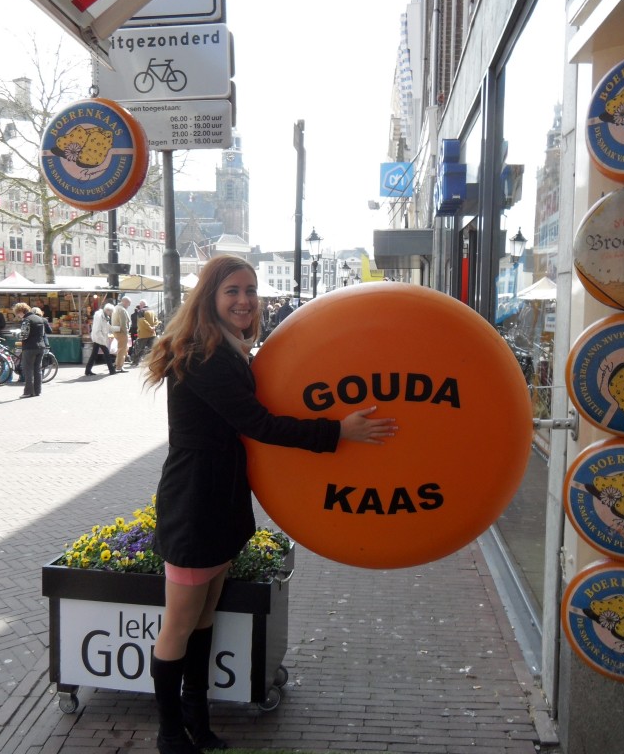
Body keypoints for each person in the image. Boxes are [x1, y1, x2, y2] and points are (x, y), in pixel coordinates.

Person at [143, 255, 396, 754]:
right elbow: (257, 424)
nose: (244, 300)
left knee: (204, 617)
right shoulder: (203, 355)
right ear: (210, 298)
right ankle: (170, 734)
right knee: (179, 623)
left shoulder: (228, 349)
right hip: (196, 501)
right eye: (232, 291)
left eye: (250, 290)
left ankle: (196, 718)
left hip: (220, 497)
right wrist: (336, 431)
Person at [13, 302, 48, 398]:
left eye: (18, 313)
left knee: (28, 370)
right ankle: (37, 391)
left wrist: (16, 334)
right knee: (37, 370)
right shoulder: (40, 319)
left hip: (29, 348)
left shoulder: (26, 320)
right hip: (40, 346)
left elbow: (24, 335)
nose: (18, 316)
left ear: (21, 311)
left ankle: (28, 392)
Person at [84, 303, 116, 376]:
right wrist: (103, 339)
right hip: (99, 337)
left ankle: (88, 370)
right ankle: (112, 370)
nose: (111, 314)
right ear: (107, 310)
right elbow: (98, 329)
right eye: (110, 312)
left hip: (99, 337)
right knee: (107, 354)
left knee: (94, 354)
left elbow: (107, 327)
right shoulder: (100, 316)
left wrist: (117, 328)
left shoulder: (104, 316)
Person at [112, 296, 132, 371]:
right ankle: (119, 366)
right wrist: (126, 333)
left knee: (123, 348)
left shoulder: (116, 308)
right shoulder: (122, 310)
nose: (129, 305)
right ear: (125, 302)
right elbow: (123, 323)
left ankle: (117, 363)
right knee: (122, 349)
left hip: (116, 331)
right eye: (129, 303)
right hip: (122, 332)